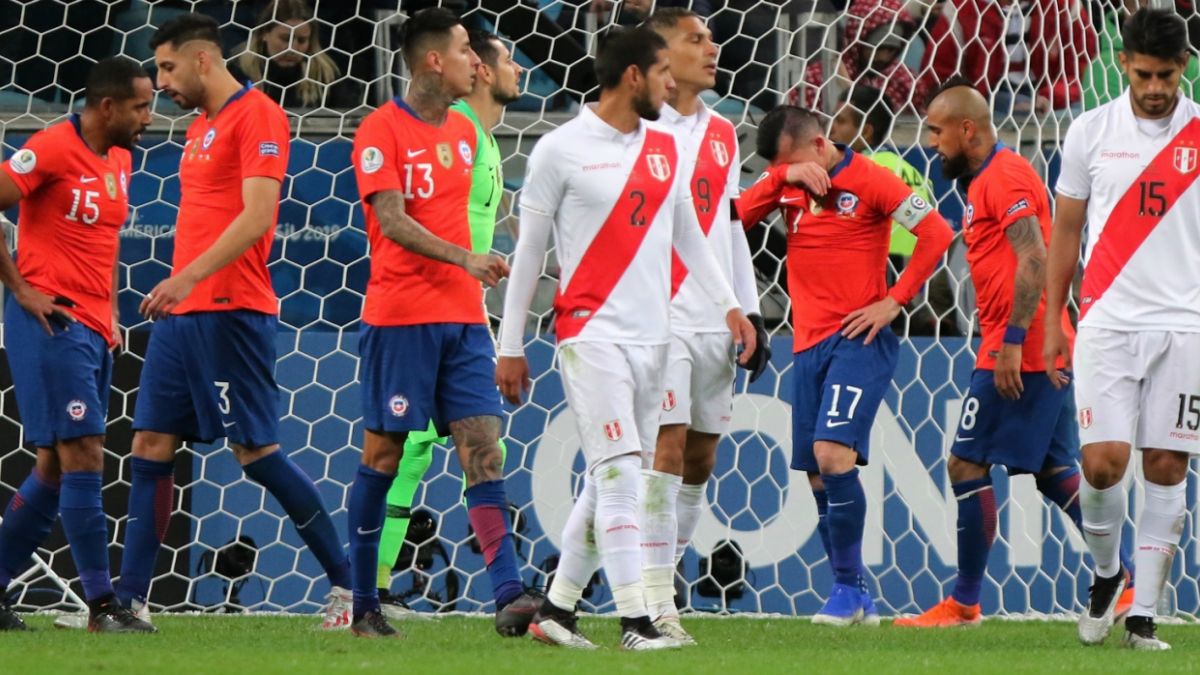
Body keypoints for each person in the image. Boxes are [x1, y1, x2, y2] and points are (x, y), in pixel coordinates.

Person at [495, 26, 755, 650]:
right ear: (633, 76)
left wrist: (732, 309)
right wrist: (510, 344)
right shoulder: (559, 149)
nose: (673, 84)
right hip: (592, 336)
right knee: (619, 479)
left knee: (614, 476)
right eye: (664, 72)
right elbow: (529, 255)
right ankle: (638, 622)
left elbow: (691, 233)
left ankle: (556, 613)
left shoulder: (665, 144)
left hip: (654, 339)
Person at [114, 14, 354, 631]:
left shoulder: (257, 114)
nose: (158, 81)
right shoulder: (199, 127)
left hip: (228, 309)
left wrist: (188, 275)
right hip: (181, 314)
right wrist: (182, 286)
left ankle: (349, 591)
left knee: (256, 452)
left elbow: (257, 217)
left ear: (202, 60)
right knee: (149, 445)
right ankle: (130, 603)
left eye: (167, 67)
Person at [896, 78, 1134, 627]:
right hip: (1037, 343)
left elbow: (1035, 257)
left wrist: (1009, 339)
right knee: (1053, 469)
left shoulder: (1005, 176)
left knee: (965, 463)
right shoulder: (984, 180)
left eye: (936, 131)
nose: (930, 142)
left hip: (1021, 346)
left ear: (967, 129)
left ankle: (964, 602)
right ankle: (1123, 578)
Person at [349, 7, 540, 639]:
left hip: (463, 319)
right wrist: (466, 259)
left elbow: (467, 226)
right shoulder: (381, 128)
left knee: (483, 447)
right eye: (465, 51)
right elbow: (392, 219)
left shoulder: (467, 138)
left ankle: (510, 596)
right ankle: (361, 602)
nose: (477, 63)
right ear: (435, 60)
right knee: (386, 454)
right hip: (402, 318)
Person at [737, 105, 953, 626]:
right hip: (807, 345)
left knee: (833, 455)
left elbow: (938, 233)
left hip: (860, 337)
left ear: (818, 145)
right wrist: (779, 176)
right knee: (815, 475)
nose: (799, 177)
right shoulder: (787, 182)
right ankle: (856, 595)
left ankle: (845, 589)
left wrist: (895, 300)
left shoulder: (871, 180)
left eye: (797, 163)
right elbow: (734, 219)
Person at [1044, 8, 1200, 651]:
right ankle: (1108, 574)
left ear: (1184, 67)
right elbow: (1067, 229)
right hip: (1106, 319)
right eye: (1144, 74)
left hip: (1187, 324)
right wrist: (1054, 317)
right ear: (1122, 64)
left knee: (1166, 465)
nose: (1156, 86)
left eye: (1166, 74)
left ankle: (1145, 616)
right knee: (1103, 466)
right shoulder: (1089, 131)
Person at [0, 57, 154, 634]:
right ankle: (101, 606)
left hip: (94, 325)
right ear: (107, 106)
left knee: (56, 466)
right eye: (140, 106)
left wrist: (111, 310)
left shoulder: (120, 158)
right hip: (51, 321)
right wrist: (22, 290)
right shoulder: (50, 147)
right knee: (85, 452)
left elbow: (104, 241)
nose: (150, 117)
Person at [638, 8, 767, 646]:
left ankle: (663, 583)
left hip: (716, 316)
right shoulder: (638, 128)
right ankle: (656, 603)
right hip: (657, 314)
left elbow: (728, 227)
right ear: (663, 53)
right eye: (697, 39)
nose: (713, 48)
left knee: (700, 458)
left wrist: (749, 309)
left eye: (712, 38)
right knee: (664, 450)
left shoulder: (722, 132)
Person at [919, 0, 1097, 118]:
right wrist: (972, 103)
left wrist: (1049, 97)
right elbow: (938, 76)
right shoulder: (963, 8)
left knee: (1080, 116)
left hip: (1052, 100)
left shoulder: (1064, 5)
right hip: (984, 101)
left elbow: (1082, 71)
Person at [230, 0, 360, 109]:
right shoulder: (237, 71)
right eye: (285, 38)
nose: (292, 48)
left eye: (301, 40)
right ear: (265, 34)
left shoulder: (325, 75)